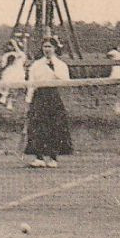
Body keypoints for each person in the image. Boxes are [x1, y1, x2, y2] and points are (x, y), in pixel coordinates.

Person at [24, 36, 74, 168]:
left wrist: (53, 67)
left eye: (49, 47)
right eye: (45, 46)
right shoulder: (36, 64)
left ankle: (53, 157)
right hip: (39, 96)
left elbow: (65, 80)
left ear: (55, 48)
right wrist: (29, 100)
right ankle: (39, 157)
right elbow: (31, 82)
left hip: (52, 96)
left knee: (55, 126)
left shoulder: (61, 65)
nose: (47, 49)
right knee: (38, 126)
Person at [0, 39, 29, 110]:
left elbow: (22, 58)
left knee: (14, 84)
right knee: (6, 80)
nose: (10, 47)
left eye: (12, 45)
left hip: (18, 72)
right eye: (9, 45)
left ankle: (9, 102)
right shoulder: (6, 55)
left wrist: (15, 45)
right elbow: (3, 65)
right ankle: (4, 97)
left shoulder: (20, 54)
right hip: (9, 71)